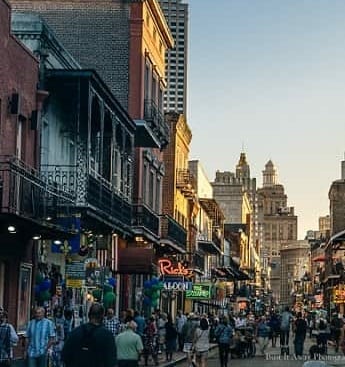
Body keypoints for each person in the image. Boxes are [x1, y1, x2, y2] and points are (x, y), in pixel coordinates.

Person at [61, 302, 116, 367]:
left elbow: (64, 356)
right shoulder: (107, 336)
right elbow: (111, 361)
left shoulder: (75, 332)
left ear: (89, 315)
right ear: (102, 317)